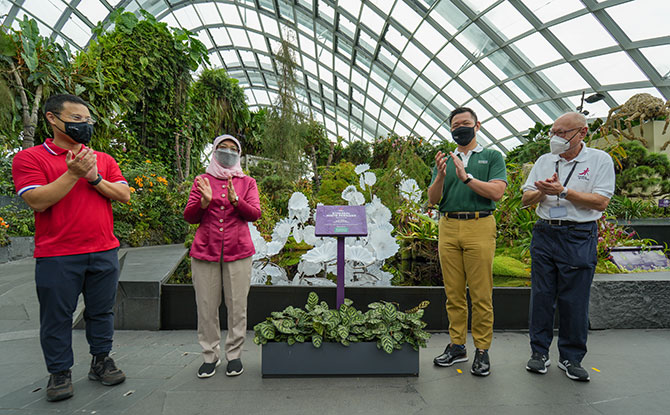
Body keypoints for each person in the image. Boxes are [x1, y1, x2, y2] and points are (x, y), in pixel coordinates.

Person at [11, 94, 130, 402]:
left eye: (87, 121)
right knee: (57, 316)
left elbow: (123, 194)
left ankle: (101, 360)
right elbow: (37, 200)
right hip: (57, 254)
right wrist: (73, 173)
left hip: (103, 250)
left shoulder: (101, 159)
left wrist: (93, 179)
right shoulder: (31, 158)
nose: (84, 125)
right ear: (53, 118)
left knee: (102, 311)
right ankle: (60, 372)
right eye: (76, 119)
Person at [522, 112, 614, 382]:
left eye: (563, 132)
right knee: (541, 295)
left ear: (582, 133)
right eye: (554, 132)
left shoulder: (599, 160)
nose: (556, 138)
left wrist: (563, 191)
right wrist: (542, 191)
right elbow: (527, 199)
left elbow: (600, 202)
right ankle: (539, 353)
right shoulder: (544, 161)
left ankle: (571, 357)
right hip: (545, 232)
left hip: (579, 234)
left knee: (574, 298)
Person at [428, 107, 507, 376]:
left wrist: (467, 178)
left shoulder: (491, 156)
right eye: (455, 125)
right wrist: (441, 176)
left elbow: (497, 192)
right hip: (448, 226)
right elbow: (433, 199)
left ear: (477, 125)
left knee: (481, 293)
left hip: (479, 225)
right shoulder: (445, 160)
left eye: (465, 123)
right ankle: (457, 345)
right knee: (453, 293)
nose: (460, 128)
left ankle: (482, 350)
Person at [184, 134, 261, 379]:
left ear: (239, 155)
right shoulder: (202, 180)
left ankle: (234, 355)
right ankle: (209, 355)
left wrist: (236, 201)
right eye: (222, 148)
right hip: (205, 251)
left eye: (232, 149)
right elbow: (190, 216)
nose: (227, 152)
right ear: (214, 151)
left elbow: (255, 214)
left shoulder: (247, 182)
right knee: (206, 306)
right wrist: (204, 202)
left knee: (237, 306)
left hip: (238, 251)